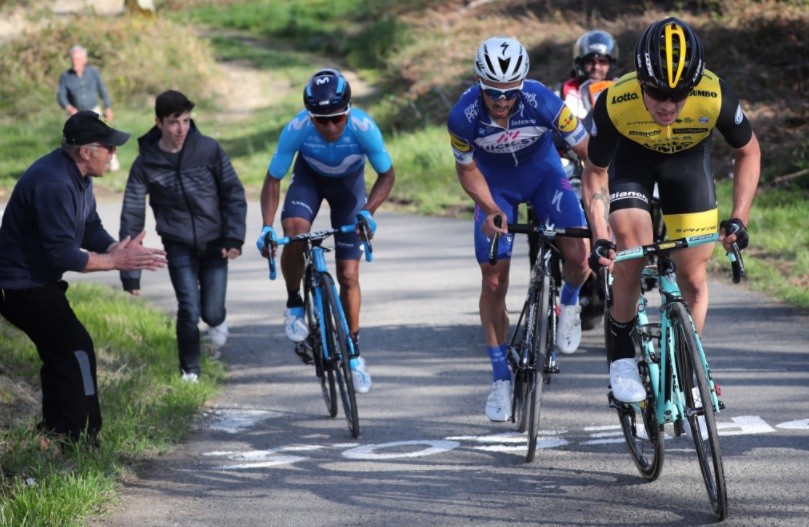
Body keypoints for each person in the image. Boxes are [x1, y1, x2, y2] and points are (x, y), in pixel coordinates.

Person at [582, 17, 760, 403]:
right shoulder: (615, 101)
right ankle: (623, 359)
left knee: (693, 278)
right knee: (632, 254)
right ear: (641, 82)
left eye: (679, 95)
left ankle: (682, 363)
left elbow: (748, 151)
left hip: (688, 168)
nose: (668, 105)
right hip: (633, 167)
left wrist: (739, 218)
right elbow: (595, 173)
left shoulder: (714, 95)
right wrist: (600, 235)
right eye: (658, 93)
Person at [0, 111, 167, 446]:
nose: (115, 153)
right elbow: (62, 255)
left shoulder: (80, 176)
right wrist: (116, 261)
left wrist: (112, 246)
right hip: (18, 286)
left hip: (36, 283)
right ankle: (82, 437)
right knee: (76, 349)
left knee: (60, 351)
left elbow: (89, 225)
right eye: (109, 147)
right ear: (86, 151)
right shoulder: (55, 183)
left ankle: (57, 429)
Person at [447, 36, 591, 422]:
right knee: (493, 282)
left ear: (522, 83)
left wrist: (601, 196)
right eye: (492, 91)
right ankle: (499, 377)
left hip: (545, 176)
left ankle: (570, 301)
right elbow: (467, 170)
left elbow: (588, 151)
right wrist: (490, 208)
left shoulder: (542, 100)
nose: (501, 100)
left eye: (510, 91)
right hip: (495, 189)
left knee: (580, 256)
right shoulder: (463, 116)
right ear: (479, 81)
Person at [256, 68, 396, 394]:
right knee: (293, 231)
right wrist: (265, 226)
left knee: (348, 276)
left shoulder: (363, 128)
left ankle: (354, 352)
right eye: (321, 120)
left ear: (347, 112)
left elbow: (387, 175)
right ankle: (294, 303)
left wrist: (368, 211)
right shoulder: (296, 129)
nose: (330, 126)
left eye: (336, 118)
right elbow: (272, 179)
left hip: (349, 189)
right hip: (309, 180)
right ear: (310, 116)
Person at [119, 90, 247, 383]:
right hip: (177, 245)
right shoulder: (145, 164)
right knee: (189, 308)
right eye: (174, 122)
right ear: (159, 122)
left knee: (212, 313)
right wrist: (130, 273)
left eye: (186, 121)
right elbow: (131, 215)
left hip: (215, 241)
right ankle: (190, 371)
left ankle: (217, 321)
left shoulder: (208, 150)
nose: (181, 129)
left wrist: (234, 237)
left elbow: (233, 193)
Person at [57, 45, 121, 171]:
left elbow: (102, 90)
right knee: (71, 141)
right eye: (73, 59)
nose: (75, 61)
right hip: (75, 113)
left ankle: (112, 164)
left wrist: (108, 107)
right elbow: (61, 97)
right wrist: (69, 108)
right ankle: (71, 166)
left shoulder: (93, 72)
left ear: (84, 60)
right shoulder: (65, 76)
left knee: (106, 135)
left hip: (94, 110)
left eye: (78, 59)